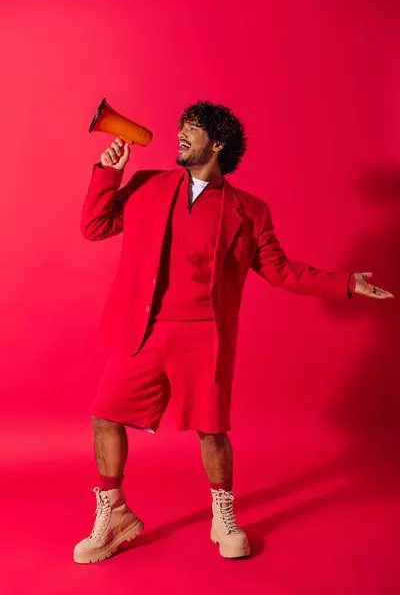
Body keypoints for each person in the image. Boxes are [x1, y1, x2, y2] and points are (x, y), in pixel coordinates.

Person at [74, 101, 394, 564]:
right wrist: (108, 174)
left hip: (204, 337)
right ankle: (115, 512)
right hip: (142, 331)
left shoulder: (250, 212)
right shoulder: (149, 186)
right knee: (105, 415)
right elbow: (94, 226)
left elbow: (283, 272)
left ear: (217, 144)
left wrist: (346, 283)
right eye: (182, 125)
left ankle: (222, 513)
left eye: (194, 128)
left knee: (212, 431)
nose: (181, 132)